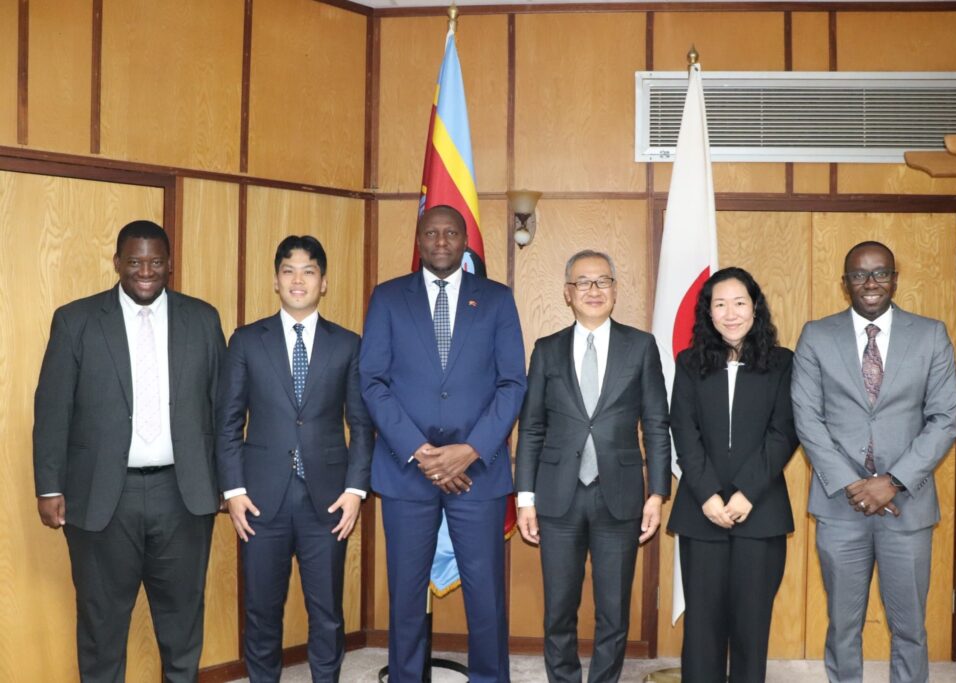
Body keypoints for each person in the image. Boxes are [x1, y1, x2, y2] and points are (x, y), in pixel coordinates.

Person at [33, 220, 225, 682]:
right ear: (117, 262)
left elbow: (222, 405)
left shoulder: (202, 319)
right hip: (101, 498)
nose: (145, 271)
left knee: (182, 625)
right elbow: (53, 406)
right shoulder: (76, 320)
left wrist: (226, 480)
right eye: (135, 261)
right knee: (101, 628)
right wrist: (49, 484)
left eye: (156, 261)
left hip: (183, 495)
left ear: (169, 264)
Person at [360, 204, 526, 683]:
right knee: (406, 596)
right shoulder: (388, 298)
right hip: (406, 469)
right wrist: (420, 449)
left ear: (464, 241)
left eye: (450, 233)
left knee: (486, 595)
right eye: (430, 233)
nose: (439, 241)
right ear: (418, 239)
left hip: (479, 472)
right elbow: (372, 381)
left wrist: (470, 450)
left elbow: (512, 383)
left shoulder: (495, 299)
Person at [792, 241, 956, 683]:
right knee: (844, 626)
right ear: (845, 283)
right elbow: (807, 419)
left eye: (881, 273)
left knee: (909, 629)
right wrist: (854, 484)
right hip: (839, 508)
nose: (870, 283)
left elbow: (945, 419)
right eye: (859, 275)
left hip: (907, 506)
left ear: (895, 278)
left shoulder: (930, 334)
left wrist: (894, 481)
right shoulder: (816, 334)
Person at [216, 235, 373, 682]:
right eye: (289, 270)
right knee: (261, 609)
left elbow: (361, 425)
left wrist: (355, 491)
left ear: (323, 282)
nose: (298, 279)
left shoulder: (347, 344)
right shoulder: (247, 341)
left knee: (326, 611)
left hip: (328, 500)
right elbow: (228, 421)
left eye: (308, 271)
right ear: (275, 280)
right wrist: (233, 491)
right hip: (259, 500)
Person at [515, 249, 671, 683]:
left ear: (616, 291)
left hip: (619, 497)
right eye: (582, 282)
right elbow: (530, 428)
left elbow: (657, 423)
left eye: (602, 281)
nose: (593, 290)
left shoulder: (640, 346)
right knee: (559, 608)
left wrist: (657, 493)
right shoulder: (546, 350)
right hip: (556, 497)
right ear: (567, 293)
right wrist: (525, 499)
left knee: (613, 610)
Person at [667, 266, 799, 683]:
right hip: (700, 512)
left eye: (739, 303)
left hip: (760, 512)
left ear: (755, 308)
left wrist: (745, 493)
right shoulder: (689, 362)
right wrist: (708, 494)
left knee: (751, 625)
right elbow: (683, 432)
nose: (730, 313)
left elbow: (784, 432)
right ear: (707, 312)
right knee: (702, 627)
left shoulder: (782, 362)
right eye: (719, 304)